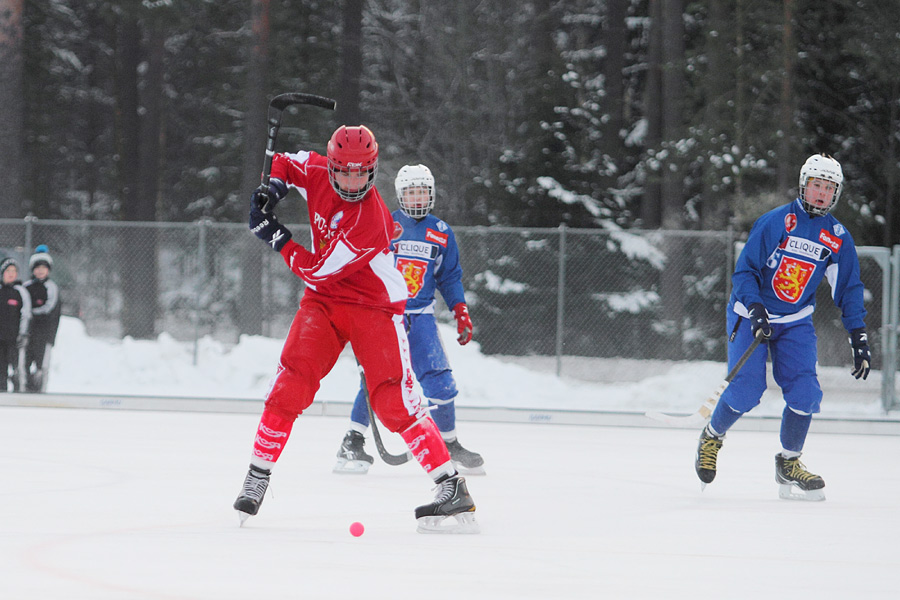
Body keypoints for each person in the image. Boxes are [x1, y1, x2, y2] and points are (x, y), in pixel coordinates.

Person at [233, 125, 479, 533]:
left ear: (373, 170)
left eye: (361, 174)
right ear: (330, 166)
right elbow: (285, 162)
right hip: (324, 304)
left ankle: (451, 486)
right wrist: (273, 188)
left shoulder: (374, 220)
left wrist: (276, 235)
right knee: (291, 382)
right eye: (343, 172)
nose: (351, 182)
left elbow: (318, 271)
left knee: (391, 401)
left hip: (372, 306)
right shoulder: (316, 170)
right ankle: (257, 476)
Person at [695, 153, 869, 501]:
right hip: (750, 315)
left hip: (794, 322)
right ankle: (712, 436)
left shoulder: (836, 237)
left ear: (836, 193)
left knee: (806, 395)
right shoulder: (776, 222)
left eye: (828, 188)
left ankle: (789, 462)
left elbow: (848, 288)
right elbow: (744, 272)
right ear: (804, 185)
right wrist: (756, 310)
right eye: (816, 185)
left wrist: (858, 334)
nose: (821, 193)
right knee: (747, 391)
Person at [333, 164, 484, 476]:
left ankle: (448, 443)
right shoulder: (385, 223)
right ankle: (352, 441)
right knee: (377, 380)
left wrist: (460, 310)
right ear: (401, 195)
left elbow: (450, 277)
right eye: (411, 192)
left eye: (422, 191)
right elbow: (361, 267)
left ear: (431, 194)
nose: (417, 198)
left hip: (422, 317)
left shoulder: (441, 232)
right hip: (386, 315)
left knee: (441, 380)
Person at [24, 245, 62, 393]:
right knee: (25, 362)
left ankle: (41, 390)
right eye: (37, 267)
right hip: (27, 334)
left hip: (44, 334)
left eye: (43, 267)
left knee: (42, 365)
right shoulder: (26, 287)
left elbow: (51, 311)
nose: (40, 270)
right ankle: (25, 388)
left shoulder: (52, 288)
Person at [0, 258, 32, 392]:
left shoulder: (21, 292)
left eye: (14, 271)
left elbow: (26, 314)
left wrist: (23, 334)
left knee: (17, 368)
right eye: (8, 271)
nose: (11, 274)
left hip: (15, 339)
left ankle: (19, 393)